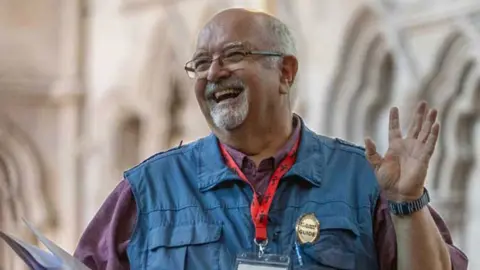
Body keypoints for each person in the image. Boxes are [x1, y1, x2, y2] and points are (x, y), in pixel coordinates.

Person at [74, 8, 468, 270]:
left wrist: (406, 202)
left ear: (285, 72)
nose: (213, 73)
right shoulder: (148, 189)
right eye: (200, 64)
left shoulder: (363, 181)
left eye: (233, 55)